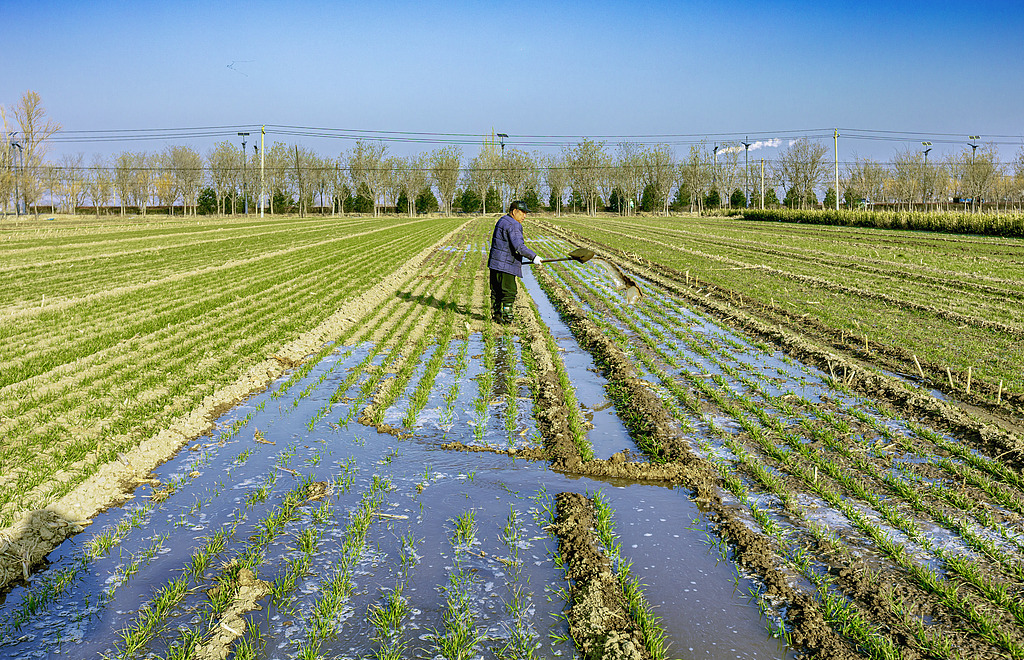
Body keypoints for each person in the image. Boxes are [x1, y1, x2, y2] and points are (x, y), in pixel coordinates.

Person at [487, 200, 542, 324]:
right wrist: (534, 257)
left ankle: (496, 316)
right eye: (522, 212)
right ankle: (508, 319)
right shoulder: (514, 224)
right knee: (509, 291)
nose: (524, 216)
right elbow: (519, 247)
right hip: (505, 265)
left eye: (526, 213)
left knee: (496, 291)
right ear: (514, 211)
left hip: (495, 263)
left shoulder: (502, 220)